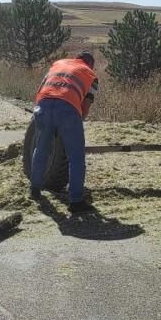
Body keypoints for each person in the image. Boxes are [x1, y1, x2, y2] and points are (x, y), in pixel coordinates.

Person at [29, 51, 99, 213]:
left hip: (43, 106)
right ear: (90, 64)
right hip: (67, 110)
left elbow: (41, 89)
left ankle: (34, 188)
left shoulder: (58, 64)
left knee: (41, 149)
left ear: (77, 59)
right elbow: (85, 107)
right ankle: (75, 201)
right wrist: (73, 126)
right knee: (75, 157)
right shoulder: (90, 75)